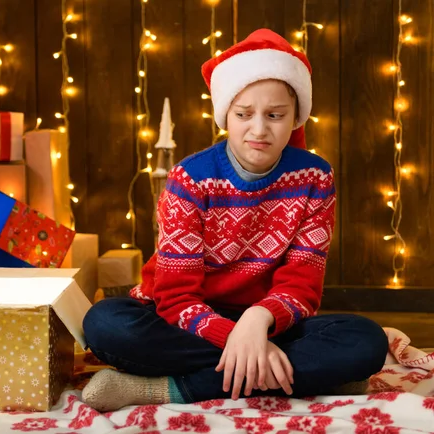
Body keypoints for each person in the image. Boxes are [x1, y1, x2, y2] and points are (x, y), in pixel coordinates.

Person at [81, 28, 389, 412]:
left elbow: (303, 284)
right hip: (187, 320)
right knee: (106, 324)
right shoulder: (190, 180)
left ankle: (169, 390)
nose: (259, 130)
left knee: (366, 340)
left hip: (268, 318)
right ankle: (303, 373)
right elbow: (176, 297)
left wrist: (257, 324)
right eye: (244, 115)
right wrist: (235, 338)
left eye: (275, 115)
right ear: (226, 114)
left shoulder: (315, 178)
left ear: (296, 117)